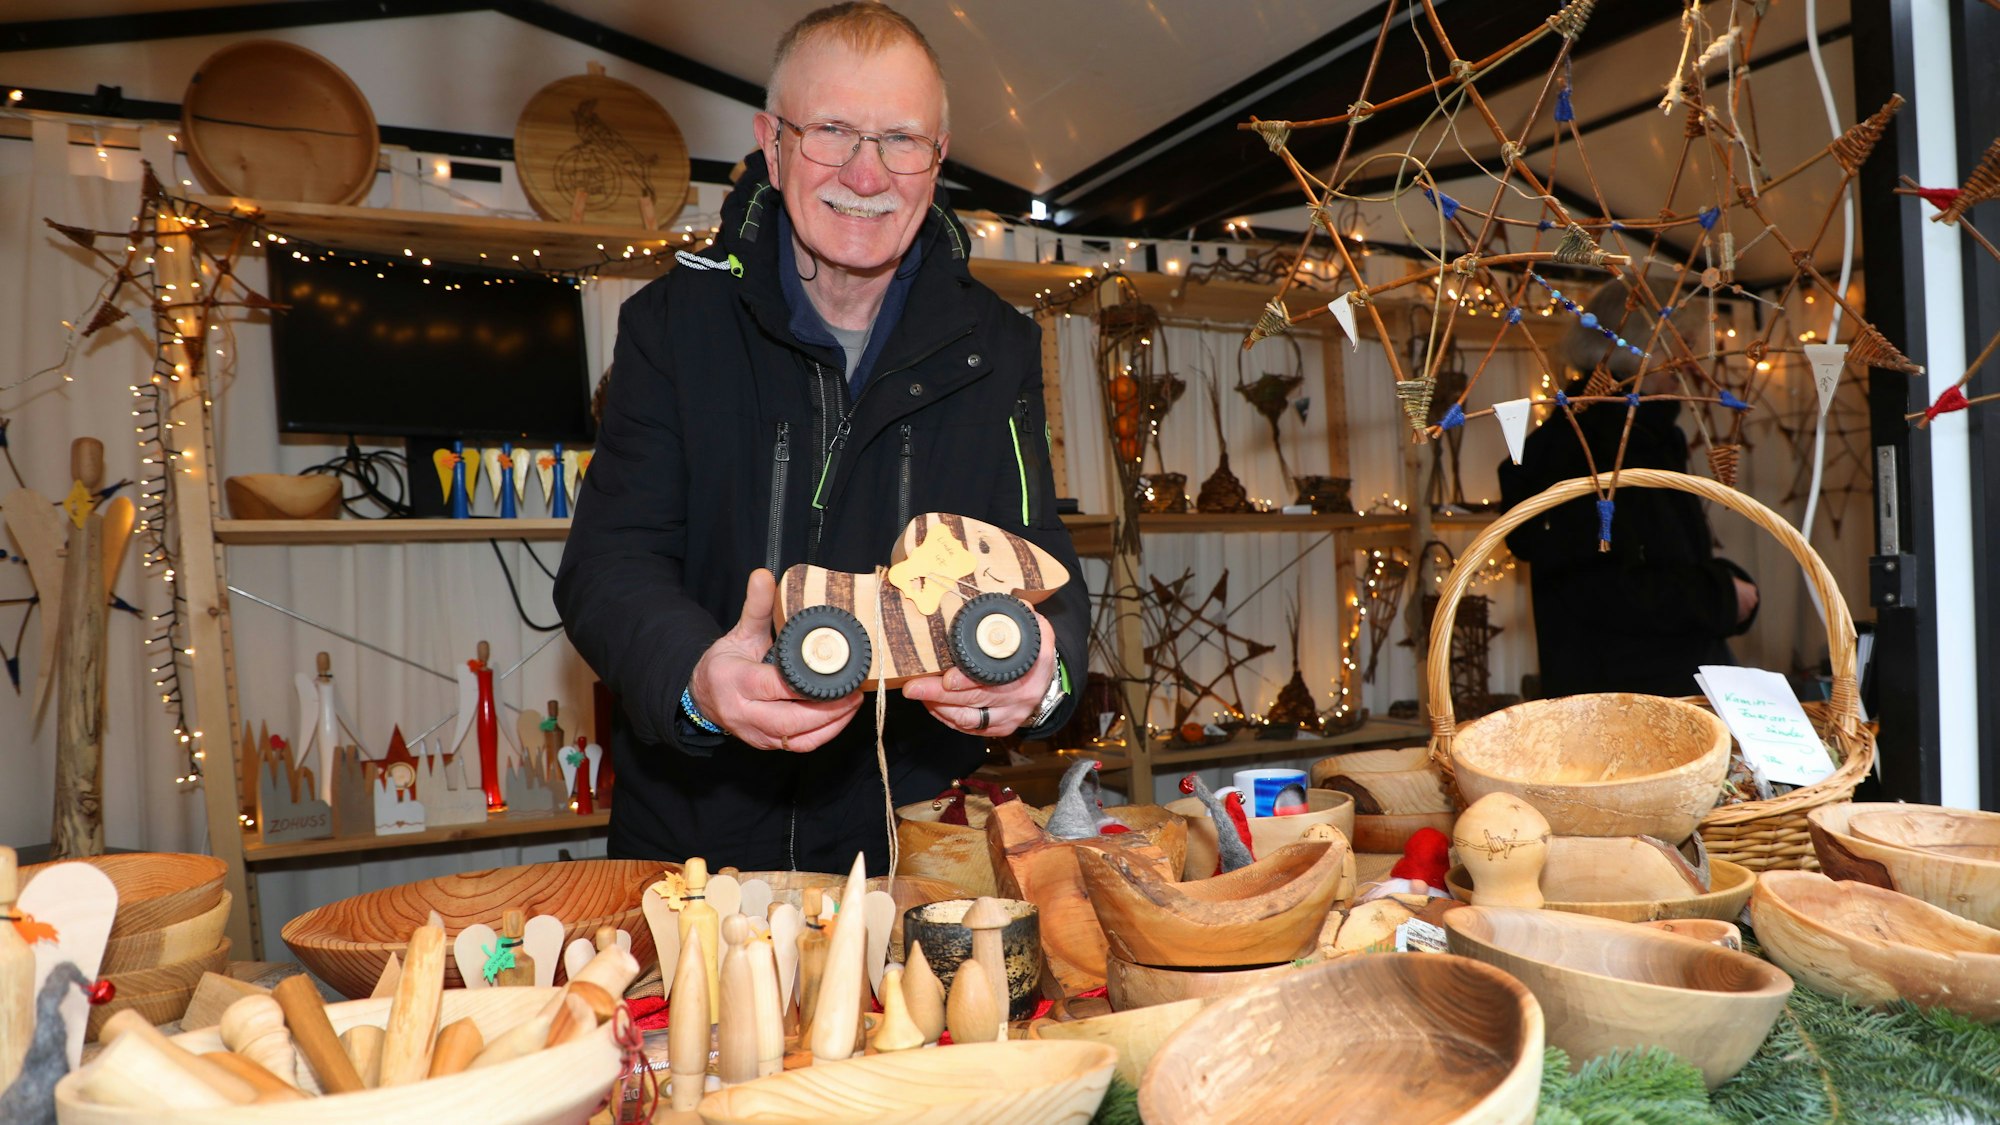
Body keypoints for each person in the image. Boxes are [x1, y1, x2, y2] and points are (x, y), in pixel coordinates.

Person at [555, 3, 1086, 874]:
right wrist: (698, 675)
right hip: (694, 838)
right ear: (772, 144)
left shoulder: (997, 345)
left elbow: (1042, 558)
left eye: (900, 140)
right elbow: (608, 566)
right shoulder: (672, 327)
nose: (866, 174)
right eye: (832, 131)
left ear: (938, 158)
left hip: (913, 834)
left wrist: (1044, 674)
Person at [1497, 279, 1759, 698]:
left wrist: (1722, 588)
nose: (1688, 365)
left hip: (1652, 691)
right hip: (1625, 704)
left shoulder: (1639, 434)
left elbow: (1654, 560)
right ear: (1634, 348)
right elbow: (1601, 586)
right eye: (1678, 348)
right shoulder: (1588, 446)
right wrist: (1720, 595)